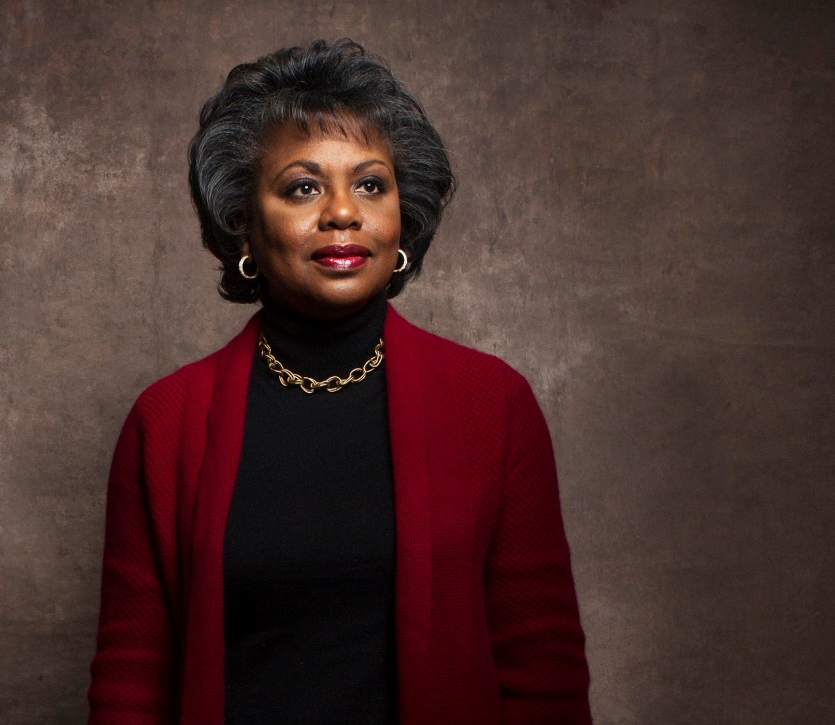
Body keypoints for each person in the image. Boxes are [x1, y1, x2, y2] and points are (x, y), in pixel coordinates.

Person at [88, 39, 591, 724]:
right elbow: (131, 683)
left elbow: (544, 670)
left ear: (401, 215)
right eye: (302, 186)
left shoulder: (491, 404)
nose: (343, 213)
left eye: (370, 184)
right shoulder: (166, 422)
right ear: (242, 222)